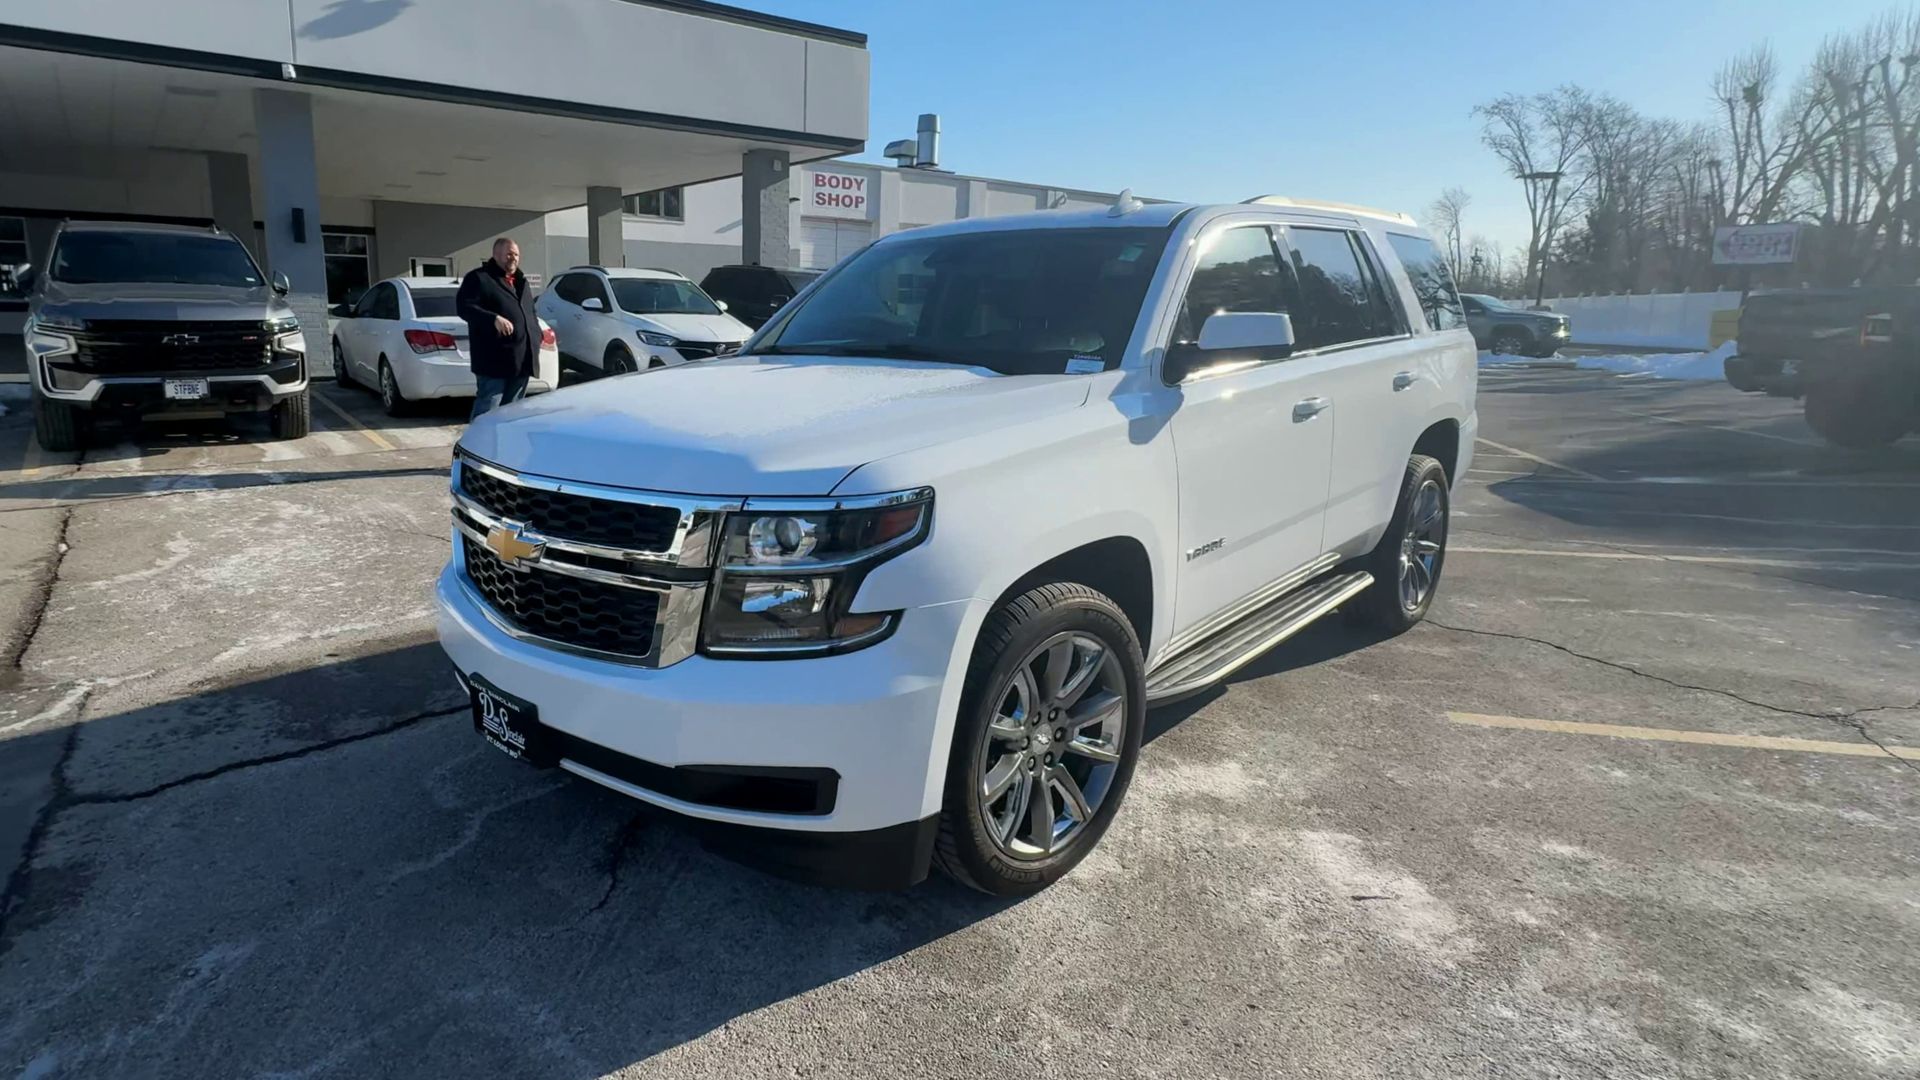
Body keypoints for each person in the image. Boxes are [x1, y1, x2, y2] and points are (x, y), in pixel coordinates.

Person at [456, 237, 540, 420]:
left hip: (521, 360)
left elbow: (530, 313)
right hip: (494, 361)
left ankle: (506, 447)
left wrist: (537, 336)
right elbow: (464, 308)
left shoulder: (521, 282)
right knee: (488, 411)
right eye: (508, 254)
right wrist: (492, 319)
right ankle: (478, 445)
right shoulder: (479, 278)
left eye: (516, 254)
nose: (513, 258)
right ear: (495, 255)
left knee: (513, 414)